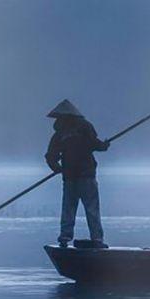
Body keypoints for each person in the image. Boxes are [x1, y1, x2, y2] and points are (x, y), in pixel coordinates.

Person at [45, 99, 109, 248]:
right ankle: (97, 239)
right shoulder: (85, 127)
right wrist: (104, 146)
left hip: (70, 177)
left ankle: (64, 237)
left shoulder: (60, 134)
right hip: (86, 176)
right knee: (92, 208)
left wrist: (57, 168)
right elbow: (95, 144)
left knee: (68, 208)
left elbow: (51, 156)